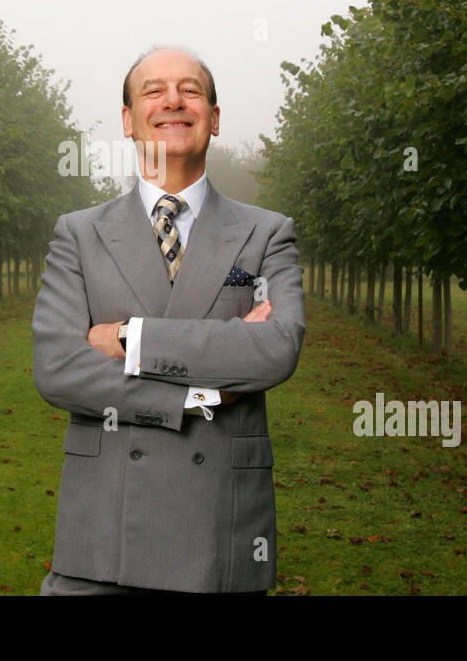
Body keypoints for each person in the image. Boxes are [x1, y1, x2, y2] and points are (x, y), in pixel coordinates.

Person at [32, 46, 305, 595]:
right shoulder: (79, 234)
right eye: (153, 90)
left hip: (219, 534)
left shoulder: (267, 232)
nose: (173, 101)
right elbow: (59, 368)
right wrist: (195, 397)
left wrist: (131, 338)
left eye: (192, 90)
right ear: (129, 121)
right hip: (102, 535)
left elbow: (275, 346)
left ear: (216, 117)